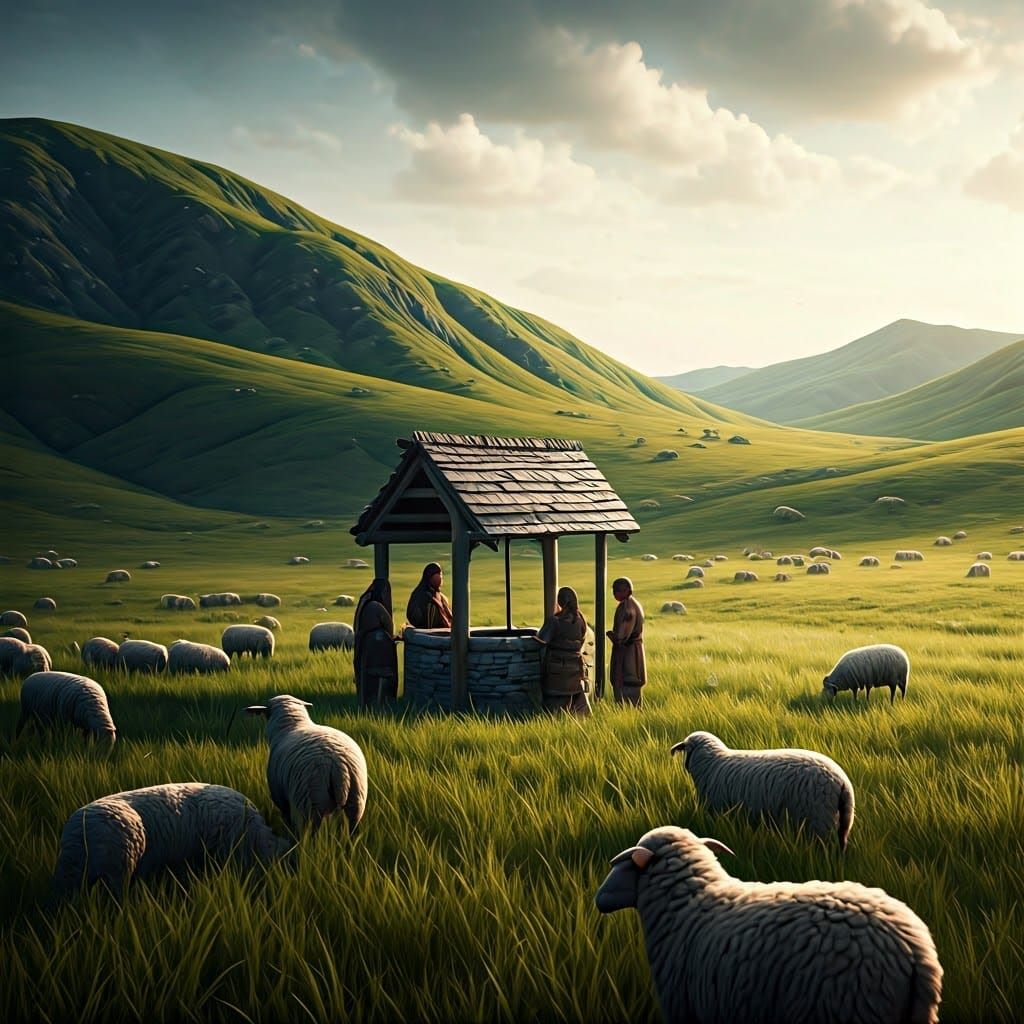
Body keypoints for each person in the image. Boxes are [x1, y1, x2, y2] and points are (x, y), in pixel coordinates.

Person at [536, 586, 592, 717]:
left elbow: (541, 640)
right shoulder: (581, 620)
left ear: (560, 601)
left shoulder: (555, 621)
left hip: (556, 672)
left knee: (553, 710)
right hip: (575, 671)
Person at [353, 578, 396, 706]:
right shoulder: (376, 607)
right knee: (379, 675)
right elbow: (389, 626)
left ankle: (367, 701)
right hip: (378, 648)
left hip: (365, 646)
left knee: (367, 676)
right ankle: (381, 702)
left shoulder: (366, 603)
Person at [607, 576, 645, 706]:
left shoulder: (627, 608)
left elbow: (621, 637)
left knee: (626, 685)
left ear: (626, 590)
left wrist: (613, 636)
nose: (615, 593)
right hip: (634, 652)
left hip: (628, 653)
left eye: (618, 590)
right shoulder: (634, 604)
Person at [405, 562, 453, 630]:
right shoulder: (421, 595)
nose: (441, 578)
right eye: (439, 574)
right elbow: (415, 616)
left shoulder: (441, 597)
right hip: (427, 632)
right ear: (430, 576)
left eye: (441, 574)